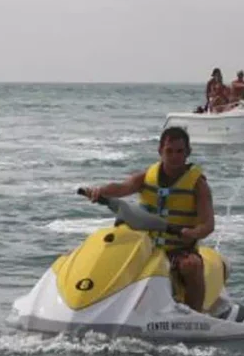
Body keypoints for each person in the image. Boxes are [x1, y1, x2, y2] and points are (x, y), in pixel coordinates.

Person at [83, 126, 215, 313]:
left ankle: (195, 314)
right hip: (145, 246)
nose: (174, 156)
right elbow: (121, 188)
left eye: (180, 151)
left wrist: (194, 233)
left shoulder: (198, 184)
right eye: (169, 151)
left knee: (191, 265)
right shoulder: (146, 177)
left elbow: (208, 224)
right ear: (160, 151)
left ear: (188, 153)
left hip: (178, 249)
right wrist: (99, 191)